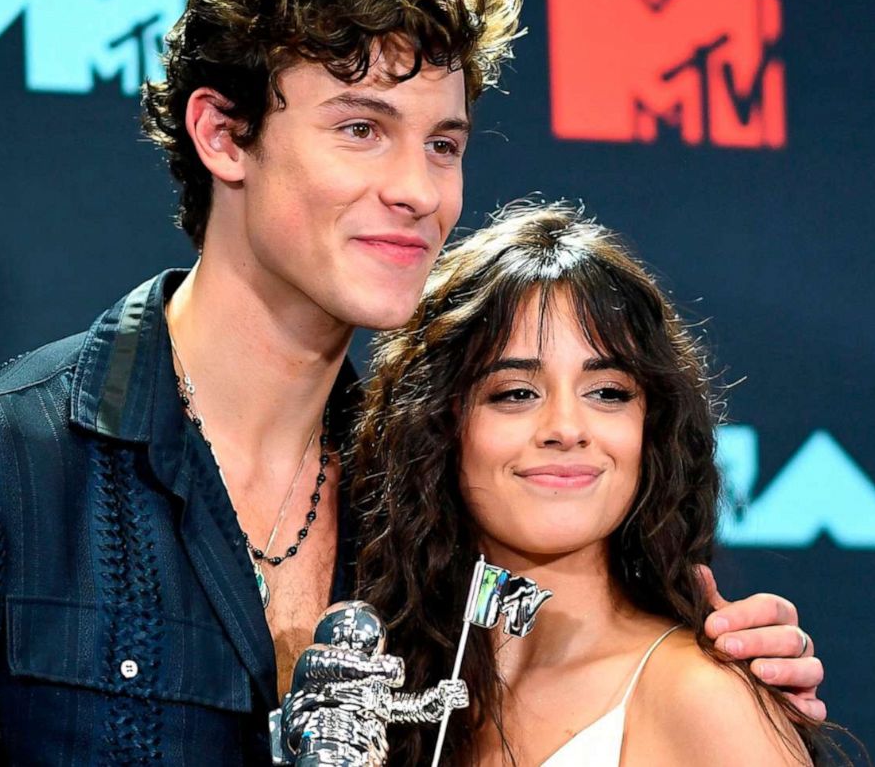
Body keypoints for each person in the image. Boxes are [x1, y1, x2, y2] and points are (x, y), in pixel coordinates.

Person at [0, 0, 826, 765]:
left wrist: (725, 675)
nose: (417, 191)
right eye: (359, 128)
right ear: (222, 134)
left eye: (444, 143)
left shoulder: (440, 498)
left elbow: (606, 685)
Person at [355, 203, 843, 765]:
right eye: (515, 393)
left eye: (608, 392)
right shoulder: (386, 689)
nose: (566, 429)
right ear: (439, 425)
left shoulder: (702, 698)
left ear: (650, 429)